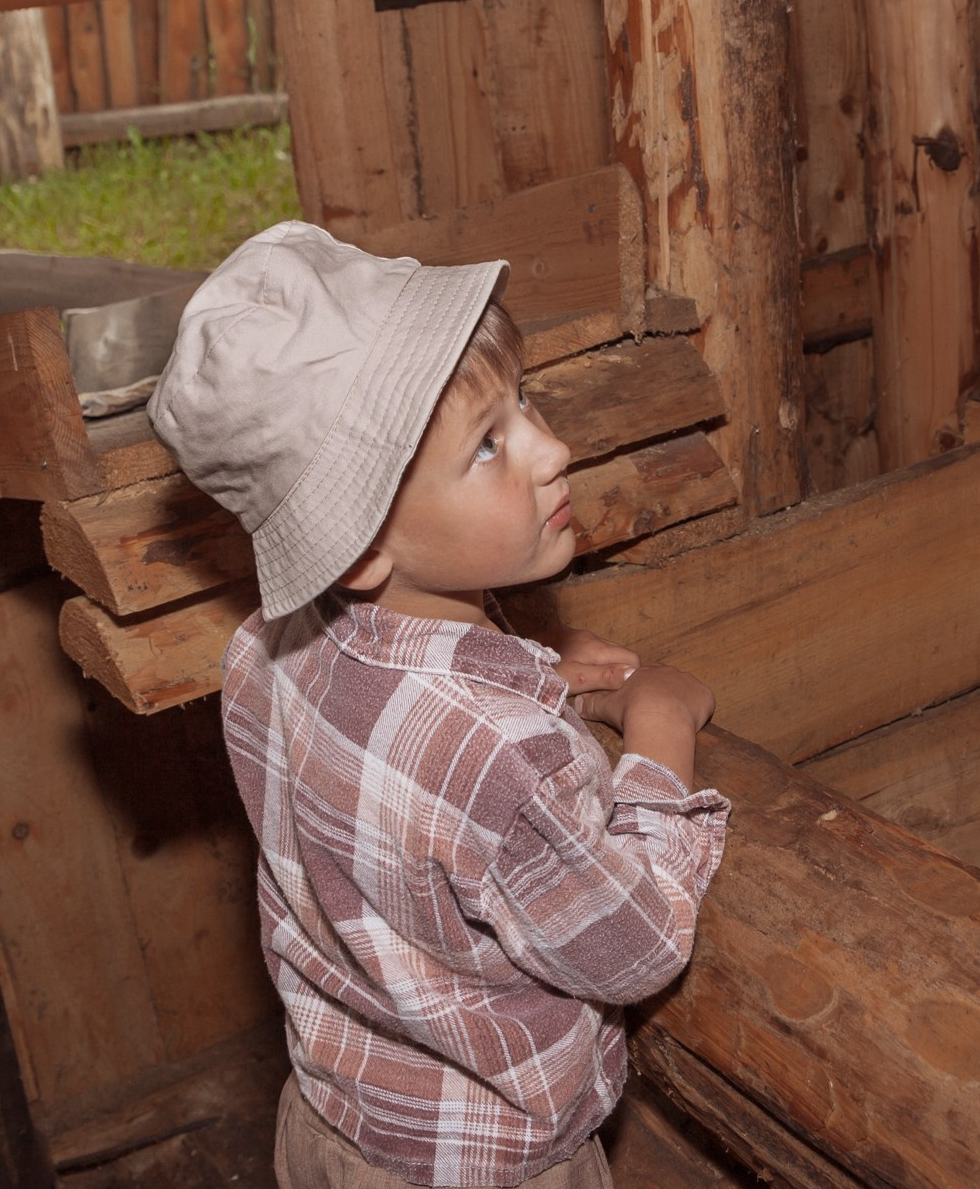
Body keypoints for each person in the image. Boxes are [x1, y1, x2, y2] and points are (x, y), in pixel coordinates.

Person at [148, 221, 731, 1189]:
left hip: (342, 1115)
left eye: (525, 403)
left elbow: (403, 756)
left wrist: (522, 660)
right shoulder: (504, 755)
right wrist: (663, 724)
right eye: (488, 446)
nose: (553, 449)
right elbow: (629, 951)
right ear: (360, 546)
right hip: (493, 1161)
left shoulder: (261, 649)